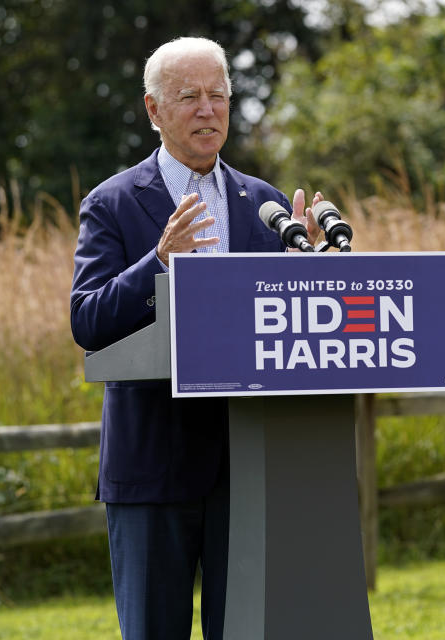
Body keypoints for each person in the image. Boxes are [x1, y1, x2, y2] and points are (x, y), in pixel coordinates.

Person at [69, 36, 321, 640]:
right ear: (155, 111)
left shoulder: (264, 204)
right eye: (189, 97)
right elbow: (88, 320)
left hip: (247, 467)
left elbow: (286, 323)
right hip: (154, 468)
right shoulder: (113, 203)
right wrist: (158, 262)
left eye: (218, 96)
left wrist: (315, 269)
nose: (207, 110)